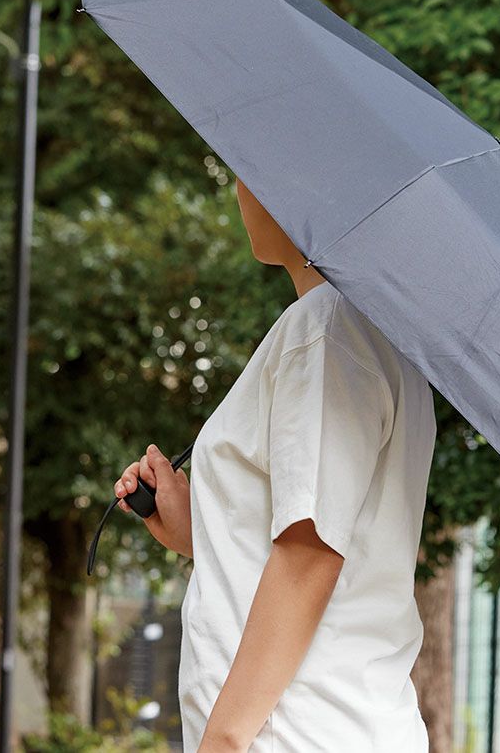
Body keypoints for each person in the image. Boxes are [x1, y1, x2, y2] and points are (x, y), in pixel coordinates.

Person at [113, 176, 438, 752]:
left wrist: (223, 740)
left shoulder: (326, 330)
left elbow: (311, 552)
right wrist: (202, 531)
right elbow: (329, 537)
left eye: (248, 173)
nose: (240, 189)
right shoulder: (370, 332)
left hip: (292, 731)